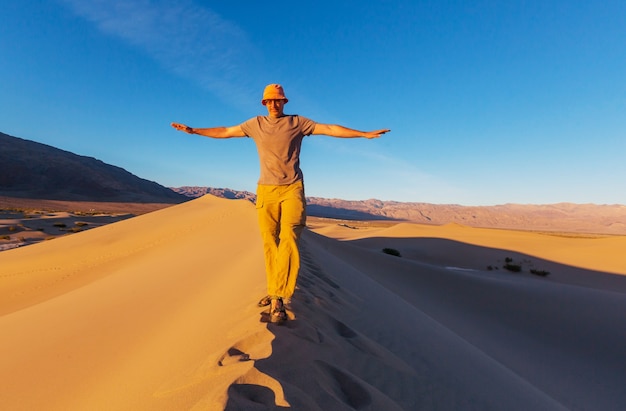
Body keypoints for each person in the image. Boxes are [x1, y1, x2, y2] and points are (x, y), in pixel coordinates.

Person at [172, 84, 389, 323]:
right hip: (265, 191)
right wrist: (194, 130)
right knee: (269, 241)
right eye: (270, 101)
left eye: (278, 101)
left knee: (289, 238)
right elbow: (225, 131)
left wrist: (363, 134)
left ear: (285, 102)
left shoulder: (298, 122)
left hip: (292, 189)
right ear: (264, 104)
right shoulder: (255, 124)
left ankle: (279, 298)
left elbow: (329, 129)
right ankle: (274, 287)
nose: (274, 104)